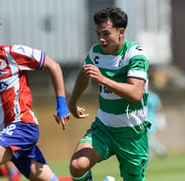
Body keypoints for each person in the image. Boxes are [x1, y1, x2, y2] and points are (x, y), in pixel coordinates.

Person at [0, 12, 72, 181]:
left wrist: (61, 104)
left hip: (22, 125)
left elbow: (53, 65)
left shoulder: (12, 54)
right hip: (6, 132)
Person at [68, 7, 150, 181]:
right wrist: (72, 103)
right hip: (104, 128)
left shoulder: (136, 54)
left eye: (106, 34)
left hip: (132, 133)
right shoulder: (96, 52)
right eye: (98, 34)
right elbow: (84, 75)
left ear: (121, 32)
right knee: (77, 166)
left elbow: (135, 93)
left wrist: (103, 79)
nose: (101, 40)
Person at [147, 90, 167, 157]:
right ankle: (150, 154)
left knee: (149, 138)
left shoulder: (153, 96)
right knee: (147, 139)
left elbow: (158, 108)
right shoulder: (140, 95)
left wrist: (161, 120)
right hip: (142, 120)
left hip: (152, 120)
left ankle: (161, 150)